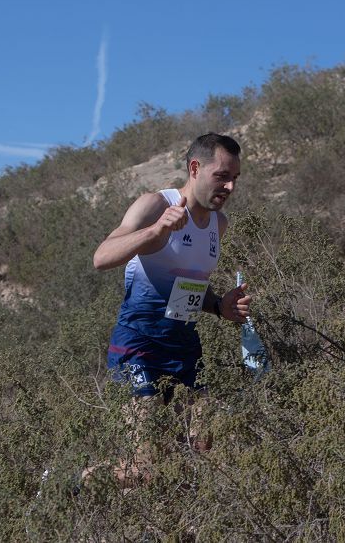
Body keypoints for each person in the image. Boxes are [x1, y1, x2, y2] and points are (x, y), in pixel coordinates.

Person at [93, 132, 250, 483]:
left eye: (235, 178)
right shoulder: (155, 205)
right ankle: (68, 482)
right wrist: (155, 232)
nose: (230, 187)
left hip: (184, 346)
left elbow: (188, 284)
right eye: (222, 176)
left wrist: (219, 305)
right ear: (195, 168)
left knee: (204, 449)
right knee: (144, 466)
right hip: (139, 346)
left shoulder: (218, 225)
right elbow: (101, 258)